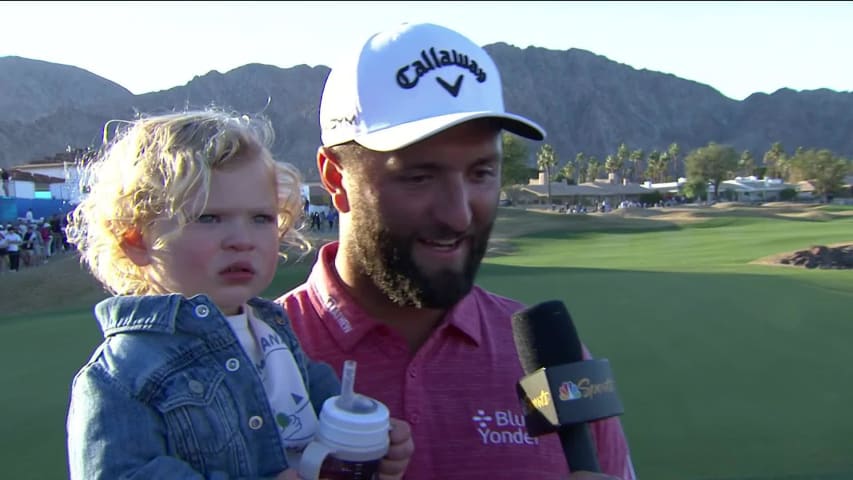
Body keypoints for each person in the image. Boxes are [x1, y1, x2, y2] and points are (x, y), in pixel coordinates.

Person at [276, 22, 636, 479]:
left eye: (481, 172)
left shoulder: (558, 363)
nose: (458, 216)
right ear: (334, 178)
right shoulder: (255, 362)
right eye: (419, 177)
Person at [65, 109, 413, 479]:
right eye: (208, 218)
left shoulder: (275, 333)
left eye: (261, 218)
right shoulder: (122, 375)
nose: (242, 241)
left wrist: (369, 445)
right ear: (135, 240)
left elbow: (327, 421)